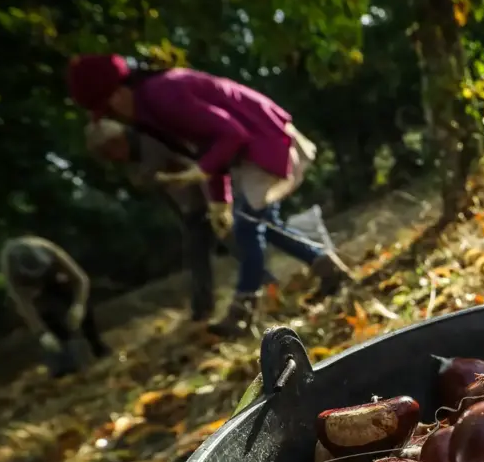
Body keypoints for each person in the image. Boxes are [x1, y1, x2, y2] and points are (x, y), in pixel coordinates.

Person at [65, 54, 344, 337]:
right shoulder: (154, 103)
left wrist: (200, 172)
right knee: (260, 225)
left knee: (248, 229)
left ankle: (243, 312)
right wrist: (218, 202)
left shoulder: (163, 94)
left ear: (120, 92)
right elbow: (209, 146)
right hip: (256, 146)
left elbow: (231, 134)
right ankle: (327, 267)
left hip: (266, 138)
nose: (117, 116)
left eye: (109, 107)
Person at [84, 118, 217, 322]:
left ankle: (263, 281)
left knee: (233, 241)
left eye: (108, 151)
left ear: (116, 142)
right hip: (189, 207)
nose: (111, 158)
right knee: (197, 255)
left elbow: (150, 175)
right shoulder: (134, 159)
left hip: (207, 199)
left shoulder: (149, 143)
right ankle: (203, 307)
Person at [0, 236, 111, 377]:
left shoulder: (49, 250)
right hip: (35, 290)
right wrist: (41, 332)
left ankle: (97, 345)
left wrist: (79, 305)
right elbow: (23, 304)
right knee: (48, 312)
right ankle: (64, 360)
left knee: (72, 296)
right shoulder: (10, 267)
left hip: (57, 279)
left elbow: (81, 280)